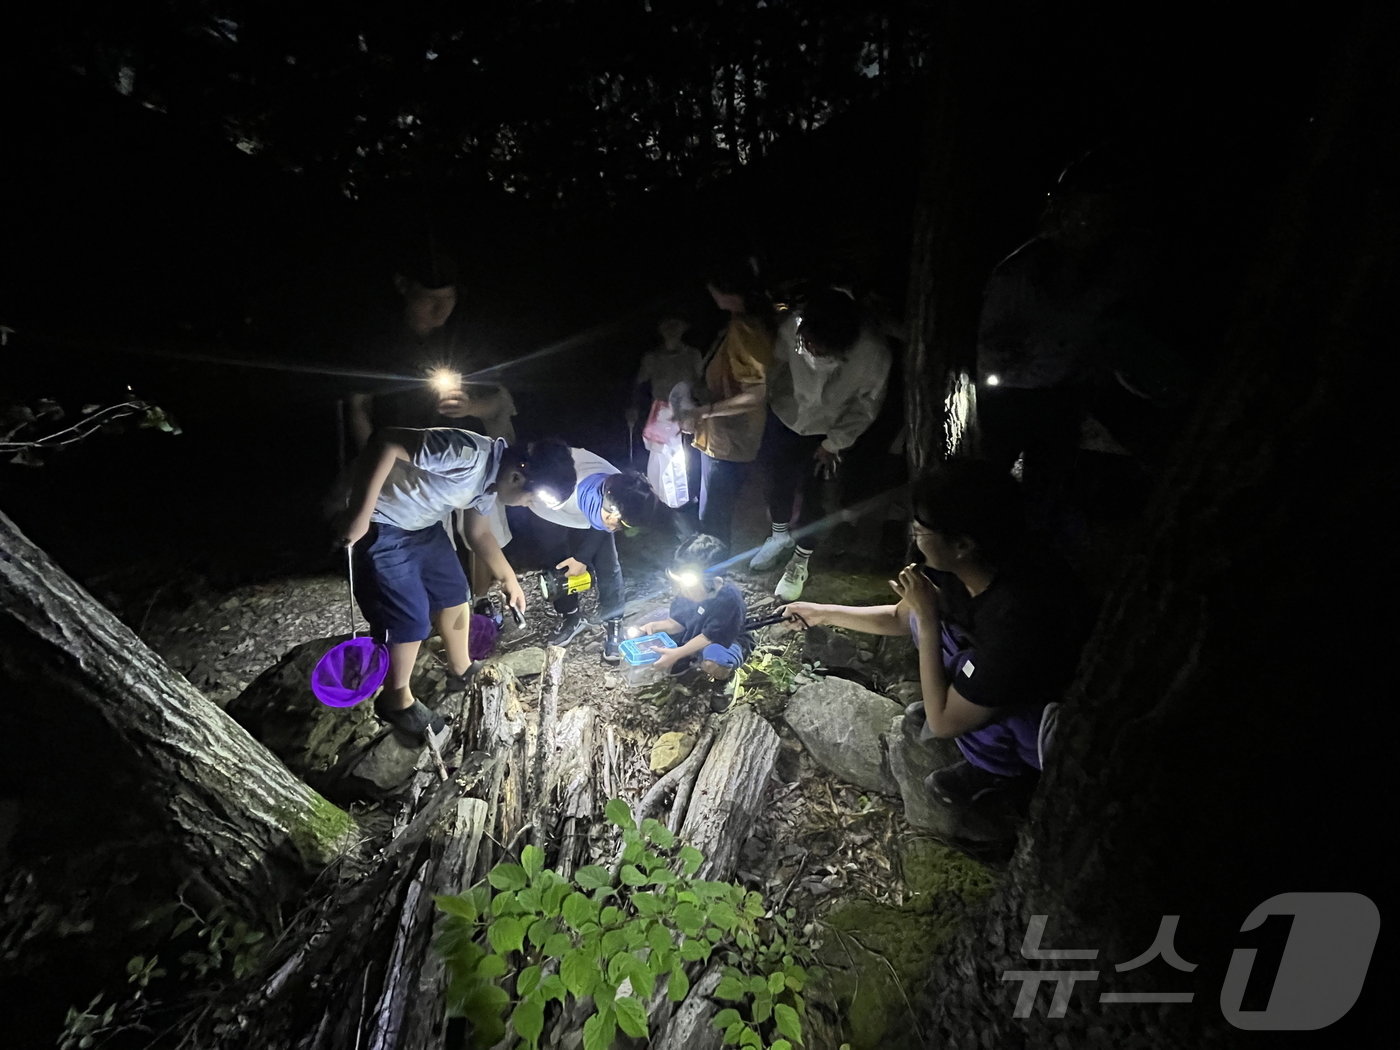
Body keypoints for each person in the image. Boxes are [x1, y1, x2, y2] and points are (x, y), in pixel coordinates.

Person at [779, 460, 1089, 808]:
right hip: (989, 670)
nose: (914, 530)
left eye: (922, 527)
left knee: (954, 678)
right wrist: (820, 612)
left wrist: (927, 619)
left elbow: (941, 724)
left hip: (1041, 710)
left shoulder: (1017, 615)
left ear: (962, 545)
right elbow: (900, 619)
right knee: (936, 634)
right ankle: (964, 707)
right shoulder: (960, 566)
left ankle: (998, 774)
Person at [333, 429, 576, 740]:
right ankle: (396, 698)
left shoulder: (491, 482)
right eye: (530, 498)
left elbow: (478, 533)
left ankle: (460, 667)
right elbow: (387, 442)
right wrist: (360, 515)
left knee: (454, 593)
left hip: (423, 525)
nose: (527, 505)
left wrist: (508, 577)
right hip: (383, 521)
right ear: (517, 476)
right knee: (410, 618)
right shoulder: (465, 453)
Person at [748, 287, 891, 601]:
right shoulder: (795, 326)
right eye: (807, 341)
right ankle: (779, 536)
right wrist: (771, 401)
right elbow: (778, 367)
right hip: (786, 417)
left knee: (815, 494)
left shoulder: (872, 353)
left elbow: (867, 406)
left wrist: (834, 443)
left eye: (819, 346)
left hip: (828, 429)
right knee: (775, 480)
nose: (810, 348)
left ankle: (801, 559)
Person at [678, 263, 776, 548]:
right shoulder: (748, 320)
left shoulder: (746, 327)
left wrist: (703, 411)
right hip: (722, 436)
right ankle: (707, 570)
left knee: (714, 516)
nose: (711, 296)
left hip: (730, 438)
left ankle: (709, 578)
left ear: (730, 292)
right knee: (712, 509)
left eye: (714, 290)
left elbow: (757, 392)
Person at [526, 446, 658, 660]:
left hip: (581, 510)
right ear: (608, 506)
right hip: (546, 509)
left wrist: (582, 558)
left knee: (607, 563)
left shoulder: (624, 493)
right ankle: (570, 616)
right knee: (557, 560)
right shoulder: (559, 484)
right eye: (617, 521)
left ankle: (614, 624)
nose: (617, 527)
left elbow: (603, 529)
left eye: (625, 526)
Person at [628, 533, 752, 699]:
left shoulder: (728, 598)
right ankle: (686, 657)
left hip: (724, 639)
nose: (683, 589)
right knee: (652, 621)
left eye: (688, 583)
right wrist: (655, 626)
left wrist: (677, 653)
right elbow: (678, 622)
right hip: (696, 629)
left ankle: (726, 678)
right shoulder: (688, 589)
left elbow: (709, 637)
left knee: (713, 661)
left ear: (712, 580)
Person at [629, 317, 703, 532]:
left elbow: (700, 384)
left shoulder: (692, 355)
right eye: (667, 326)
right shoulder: (652, 358)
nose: (671, 330)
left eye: (676, 325)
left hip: (688, 415)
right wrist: (633, 408)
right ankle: (661, 512)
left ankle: (688, 513)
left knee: (688, 465)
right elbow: (639, 383)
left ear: (683, 328)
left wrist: (704, 410)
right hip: (660, 417)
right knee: (659, 467)